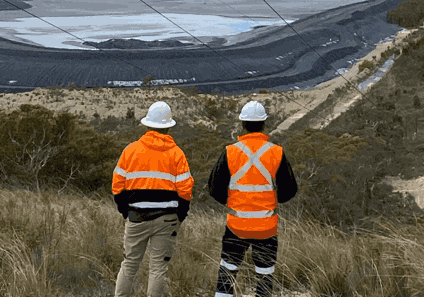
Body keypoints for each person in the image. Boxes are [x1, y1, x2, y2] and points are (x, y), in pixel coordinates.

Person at [208, 101, 298, 297]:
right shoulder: (276, 152)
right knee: (264, 276)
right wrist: (273, 200)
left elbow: (214, 188)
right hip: (266, 225)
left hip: (236, 225)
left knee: (228, 272)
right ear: (264, 124)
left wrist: (233, 202)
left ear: (242, 124)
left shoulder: (230, 152)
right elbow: (289, 190)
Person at [112, 101, 194, 297]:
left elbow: (117, 186)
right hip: (166, 219)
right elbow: (185, 190)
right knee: (158, 268)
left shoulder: (130, 151)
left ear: (147, 125)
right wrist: (180, 215)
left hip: (136, 217)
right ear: (168, 126)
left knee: (130, 264)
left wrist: (126, 211)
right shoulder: (177, 154)